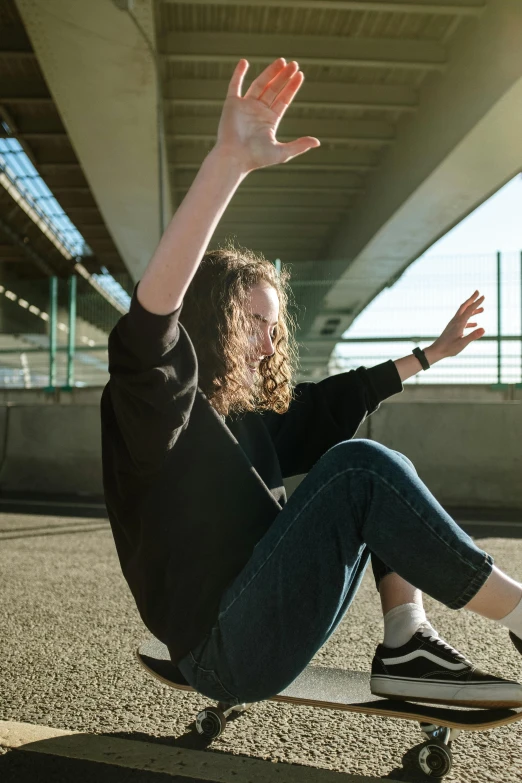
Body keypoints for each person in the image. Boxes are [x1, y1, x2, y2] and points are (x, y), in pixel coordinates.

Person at [101, 57, 522, 708]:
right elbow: (151, 321)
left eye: (275, 326)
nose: (271, 342)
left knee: (376, 470)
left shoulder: (246, 418)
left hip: (256, 621)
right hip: (222, 647)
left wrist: (430, 353)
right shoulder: (156, 406)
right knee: (361, 468)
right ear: (210, 319)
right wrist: (226, 167)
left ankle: (407, 637)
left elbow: (331, 403)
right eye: (254, 322)